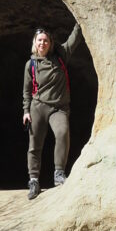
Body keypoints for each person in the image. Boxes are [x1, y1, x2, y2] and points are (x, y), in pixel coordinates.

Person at [22, 22, 82, 200]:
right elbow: (26, 90)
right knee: (35, 144)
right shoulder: (31, 64)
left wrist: (80, 20)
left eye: (46, 40)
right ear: (35, 42)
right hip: (38, 107)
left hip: (59, 107)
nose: (42, 44)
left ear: (51, 42)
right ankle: (33, 180)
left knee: (62, 133)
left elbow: (75, 38)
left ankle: (59, 173)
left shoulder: (61, 55)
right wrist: (26, 110)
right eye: (39, 40)